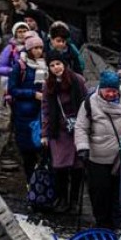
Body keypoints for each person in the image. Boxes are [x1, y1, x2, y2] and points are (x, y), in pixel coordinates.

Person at [75, 70, 121, 229]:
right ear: (101, 88)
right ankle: (102, 224)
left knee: (118, 193)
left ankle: (116, 224)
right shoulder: (89, 103)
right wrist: (83, 147)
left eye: (114, 90)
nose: (112, 94)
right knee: (100, 193)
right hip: (97, 158)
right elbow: (81, 127)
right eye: (108, 91)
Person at [41, 54, 88, 213]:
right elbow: (46, 110)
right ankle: (62, 198)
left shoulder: (78, 80)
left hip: (77, 127)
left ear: (65, 64)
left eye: (58, 63)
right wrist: (44, 134)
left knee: (77, 166)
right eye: (52, 65)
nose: (56, 68)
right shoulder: (49, 85)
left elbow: (86, 103)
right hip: (59, 129)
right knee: (59, 165)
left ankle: (74, 201)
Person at [8, 33, 47, 180]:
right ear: (29, 49)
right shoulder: (20, 66)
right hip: (24, 115)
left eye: (40, 48)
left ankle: (42, 184)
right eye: (35, 48)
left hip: (40, 112)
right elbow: (12, 89)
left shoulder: (43, 65)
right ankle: (30, 183)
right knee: (28, 154)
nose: (38, 51)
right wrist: (33, 94)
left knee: (43, 151)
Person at [0, 21, 31, 100]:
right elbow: (0, 68)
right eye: (19, 32)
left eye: (25, 31)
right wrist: (13, 70)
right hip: (14, 79)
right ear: (15, 33)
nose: (22, 34)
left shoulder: (34, 46)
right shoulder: (9, 48)